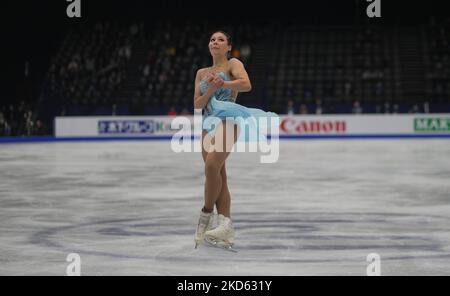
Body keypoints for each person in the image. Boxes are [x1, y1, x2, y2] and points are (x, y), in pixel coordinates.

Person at [192, 30, 276, 249]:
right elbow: (198, 104)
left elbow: (246, 84)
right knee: (220, 175)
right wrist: (210, 88)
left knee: (211, 166)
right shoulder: (201, 72)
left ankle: (206, 213)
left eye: (220, 40)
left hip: (228, 120)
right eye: (212, 39)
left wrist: (223, 84)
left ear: (228, 47)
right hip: (207, 124)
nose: (215, 42)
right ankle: (225, 228)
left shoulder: (233, 64)